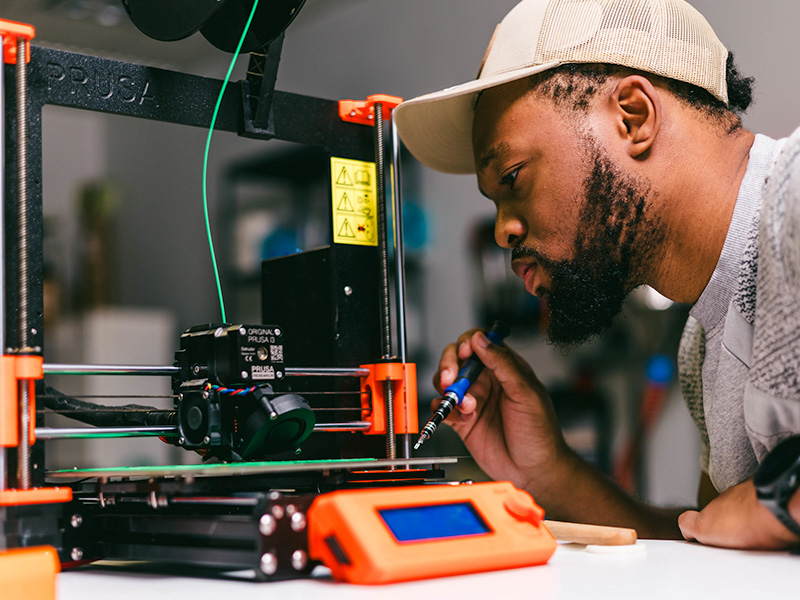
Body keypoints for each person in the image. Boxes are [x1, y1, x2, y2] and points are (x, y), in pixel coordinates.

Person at [394, 0, 800, 550]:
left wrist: (780, 500)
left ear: (632, 116)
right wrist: (550, 474)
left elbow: (760, 519)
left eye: (512, 176)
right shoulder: (702, 349)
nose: (502, 232)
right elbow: (711, 543)